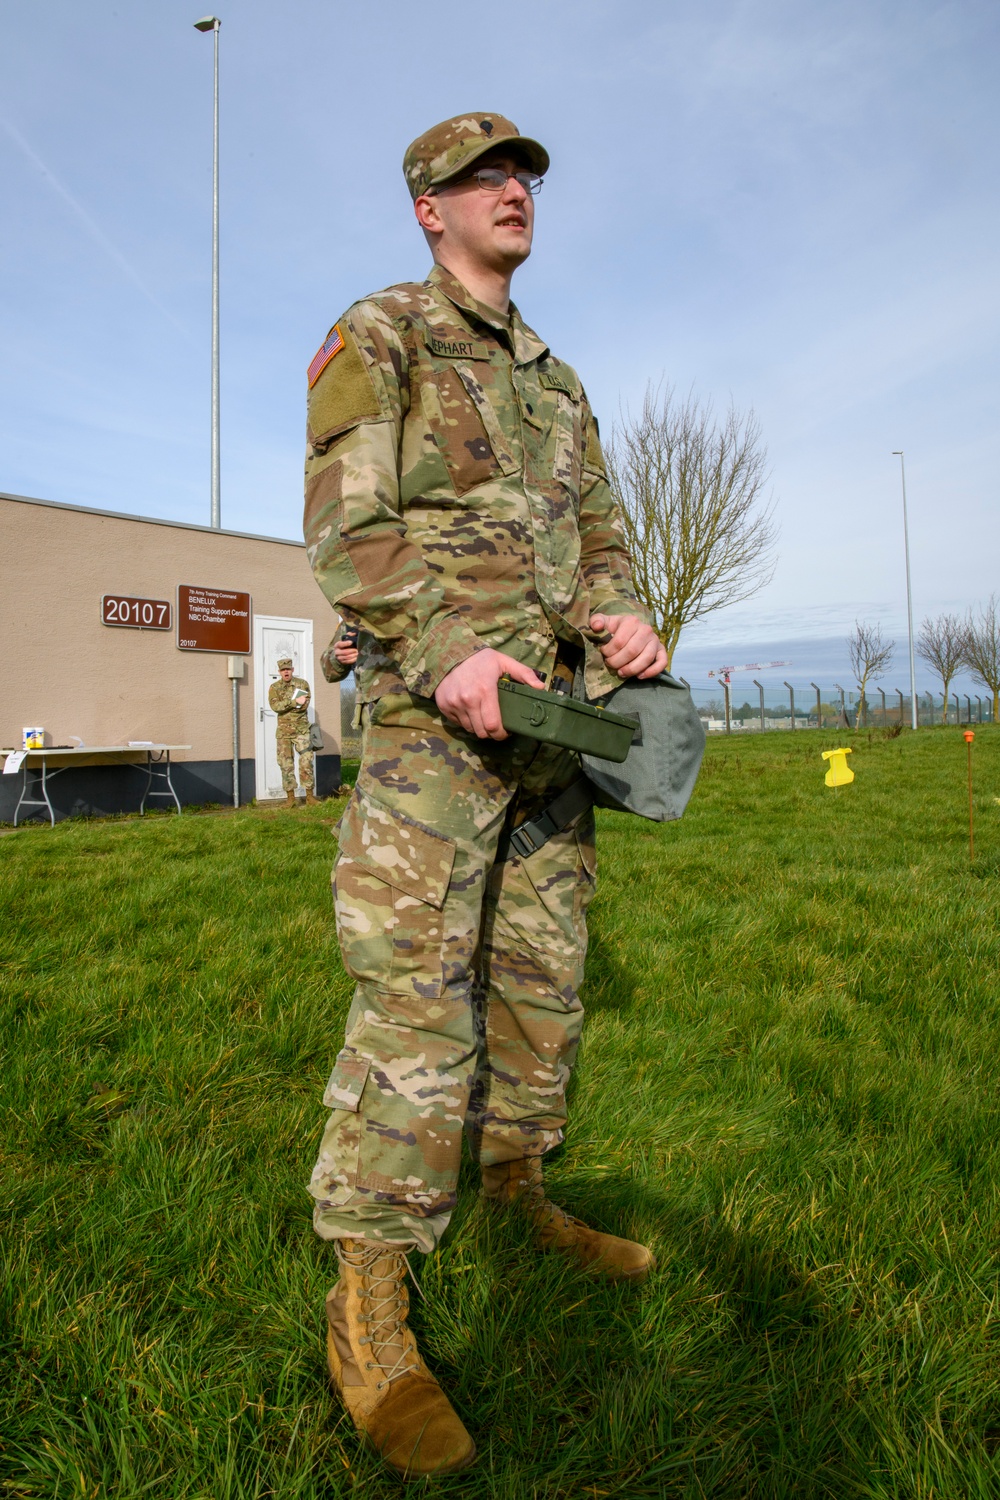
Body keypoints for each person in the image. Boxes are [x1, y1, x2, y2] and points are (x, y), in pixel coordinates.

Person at [302, 112, 667, 1479]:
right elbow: (351, 530)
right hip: (428, 728)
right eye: (479, 178)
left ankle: (516, 1191)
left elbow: (602, 541)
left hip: (554, 735)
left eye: (522, 175)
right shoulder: (381, 334)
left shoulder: (557, 381)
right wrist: (451, 656)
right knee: (413, 998)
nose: (511, 192)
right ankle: (371, 1309)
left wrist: (627, 624)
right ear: (426, 209)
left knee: (539, 977)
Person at [268, 657, 319, 807]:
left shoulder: (302, 684)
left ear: (292, 670)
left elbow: (302, 706)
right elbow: (275, 707)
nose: (286, 672)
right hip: (283, 732)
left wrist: (290, 705)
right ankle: (290, 799)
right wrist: (293, 702)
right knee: (285, 764)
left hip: (301, 730)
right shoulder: (274, 687)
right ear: (279, 672)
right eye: (283, 670)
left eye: (288, 669)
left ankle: (310, 796)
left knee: (306, 761)